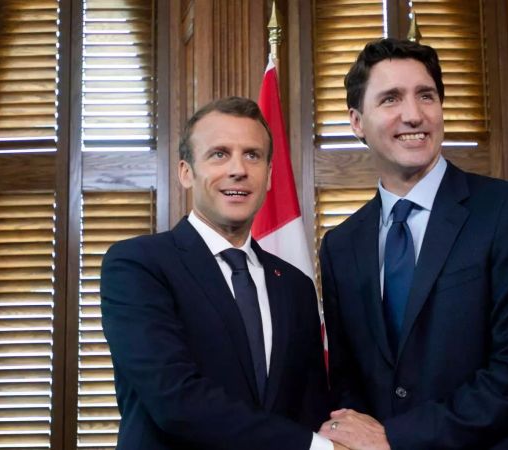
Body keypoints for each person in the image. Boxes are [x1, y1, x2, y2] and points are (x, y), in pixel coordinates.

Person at [318, 38, 508, 450]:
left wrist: (395, 439)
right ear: (357, 121)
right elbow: (347, 383)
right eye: (391, 99)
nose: (413, 115)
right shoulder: (340, 245)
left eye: (426, 96)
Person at [101, 96, 335, 449]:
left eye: (252, 155)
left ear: (270, 176)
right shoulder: (137, 265)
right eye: (219, 154)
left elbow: (309, 405)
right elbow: (174, 400)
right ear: (186, 172)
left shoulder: (295, 286)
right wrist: (316, 447)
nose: (238, 169)